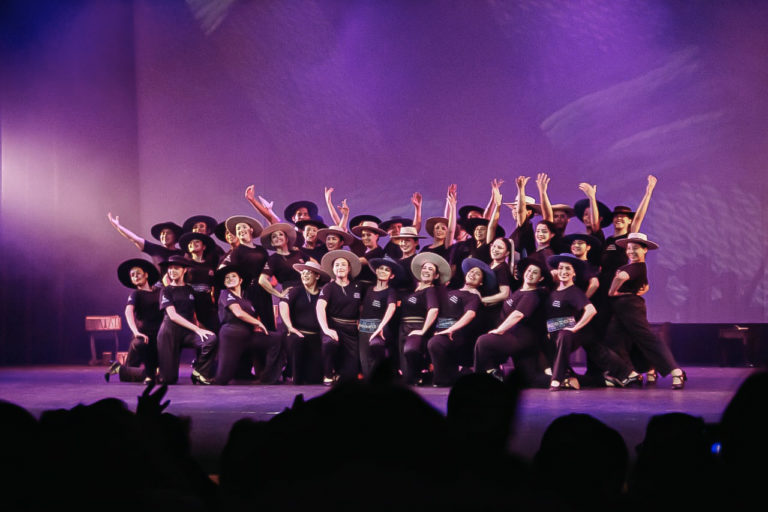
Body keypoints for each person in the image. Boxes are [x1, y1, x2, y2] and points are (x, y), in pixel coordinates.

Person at [545, 253, 637, 390]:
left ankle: (557, 380)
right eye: (561, 268)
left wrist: (574, 328)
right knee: (594, 348)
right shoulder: (553, 291)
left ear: (574, 272)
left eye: (568, 269)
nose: (563, 272)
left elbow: (591, 310)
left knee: (570, 338)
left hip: (568, 333)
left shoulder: (574, 292)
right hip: (553, 333)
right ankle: (611, 377)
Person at [607, 233, 687, 389]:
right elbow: (644, 285)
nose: (631, 251)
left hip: (630, 308)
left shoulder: (636, 266)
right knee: (615, 338)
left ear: (645, 250)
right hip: (623, 308)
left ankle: (676, 372)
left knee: (646, 338)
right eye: (629, 248)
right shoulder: (635, 267)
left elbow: (621, 277)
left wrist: (612, 292)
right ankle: (637, 371)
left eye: (636, 248)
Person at [474, 259, 551, 388]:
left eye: (535, 273)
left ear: (541, 278)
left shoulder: (532, 295)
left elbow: (518, 314)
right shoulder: (519, 291)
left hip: (521, 337)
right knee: (529, 378)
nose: (530, 274)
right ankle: (565, 379)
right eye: (529, 270)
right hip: (515, 337)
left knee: (483, 341)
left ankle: (484, 377)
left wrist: (500, 330)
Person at [214, 264, 282, 385]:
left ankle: (268, 378)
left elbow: (251, 316)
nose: (230, 279)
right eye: (227, 278)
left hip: (248, 336)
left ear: (240, 280)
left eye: (233, 276)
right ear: (224, 283)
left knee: (276, 338)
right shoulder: (225, 293)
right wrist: (258, 322)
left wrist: (255, 327)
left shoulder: (247, 301)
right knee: (222, 379)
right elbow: (238, 313)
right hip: (232, 334)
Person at [427, 258, 490, 387]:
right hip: (439, 329)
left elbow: (470, 314)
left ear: (481, 282)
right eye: (471, 271)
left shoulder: (473, 296)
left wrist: (451, 329)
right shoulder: (450, 291)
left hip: (455, 333)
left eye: (477, 274)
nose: (472, 274)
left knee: (435, 343)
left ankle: (442, 380)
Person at [156, 255, 218, 385]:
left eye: (176, 268)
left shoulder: (190, 289)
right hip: (169, 332)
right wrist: (197, 329)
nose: (172, 271)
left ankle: (199, 372)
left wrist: (201, 328)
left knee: (211, 339)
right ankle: (129, 371)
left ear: (184, 270)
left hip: (187, 332)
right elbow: (172, 315)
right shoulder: (165, 290)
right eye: (170, 268)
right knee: (167, 380)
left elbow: (195, 312)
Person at [105, 258, 163, 384]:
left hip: (158, 337)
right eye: (132, 275)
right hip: (143, 338)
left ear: (146, 275)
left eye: (138, 273)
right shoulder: (135, 294)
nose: (135, 276)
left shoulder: (159, 292)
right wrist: (136, 332)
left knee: (159, 377)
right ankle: (141, 372)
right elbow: (128, 311)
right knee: (146, 374)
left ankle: (121, 368)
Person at [399, 252, 449, 385]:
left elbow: (433, 310)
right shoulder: (415, 290)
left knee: (411, 350)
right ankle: (420, 374)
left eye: (430, 269)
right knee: (406, 375)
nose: (426, 270)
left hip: (416, 327)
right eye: (424, 268)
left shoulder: (430, 290)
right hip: (403, 329)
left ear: (436, 275)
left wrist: (423, 331)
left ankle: (423, 371)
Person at [316, 250, 364, 384]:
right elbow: (320, 307)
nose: (340, 268)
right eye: (337, 265)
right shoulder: (328, 287)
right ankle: (328, 374)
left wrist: (361, 320)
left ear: (349, 268)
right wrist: (326, 329)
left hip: (351, 330)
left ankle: (341, 372)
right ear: (333, 269)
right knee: (329, 342)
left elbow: (363, 307)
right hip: (333, 326)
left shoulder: (358, 286)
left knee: (350, 376)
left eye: (343, 265)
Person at [221, 215, 276, 331]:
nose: (241, 230)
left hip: (263, 289)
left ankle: (272, 346)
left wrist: (271, 282)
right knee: (250, 325)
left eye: (243, 227)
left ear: (251, 229)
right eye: (238, 229)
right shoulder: (236, 252)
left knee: (269, 322)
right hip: (247, 291)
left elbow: (269, 268)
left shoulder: (261, 250)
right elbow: (222, 270)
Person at [279, 261, 330, 384]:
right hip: (298, 335)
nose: (304, 275)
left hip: (315, 337)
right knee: (297, 341)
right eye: (303, 273)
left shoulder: (323, 293)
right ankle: (292, 373)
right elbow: (283, 304)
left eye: (309, 273)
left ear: (317, 276)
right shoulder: (296, 291)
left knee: (314, 379)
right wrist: (290, 327)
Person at [358, 257, 402, 377]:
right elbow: (361, 307)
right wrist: (358, 320)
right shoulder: (368, 289)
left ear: (391, 276)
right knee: (365, 364)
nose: (383, 271)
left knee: (376, 346)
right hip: (363, 329)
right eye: (381, 268)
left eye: (387, 270)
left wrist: (380, 327)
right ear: (376, 271)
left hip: (380, 328)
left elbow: (391, 307)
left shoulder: (391, 291)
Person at [177, 231, 219, 332]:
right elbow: (168, 278)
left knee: (213, 331)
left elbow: (214, 284)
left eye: (197, 242)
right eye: (190, 243)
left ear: (204, 247)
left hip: (208, 304)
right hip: (191, 304)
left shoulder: (210, 265)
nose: (193, 244)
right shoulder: (184, 264)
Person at [107, 213, 183, 266]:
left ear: (175, 236)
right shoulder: (155, 249)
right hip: (160, 288)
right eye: (162, 233)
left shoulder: (183, 254)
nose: (164, 235)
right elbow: (134, 238)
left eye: (168, 233)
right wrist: (119, 227)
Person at [258, 222, 305, 302]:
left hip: (307, 290)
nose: (278, 237)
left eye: (280, 234)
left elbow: (315, 266)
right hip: (292, 294)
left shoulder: (298, 253)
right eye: (274, 236)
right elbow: (262, 280)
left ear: (286, 239)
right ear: (272, 243)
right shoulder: (273, 259)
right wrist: (279, 294)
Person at [350, 220, 388, 287]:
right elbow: (343, 232)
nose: (365, 238)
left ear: (376, 236)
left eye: (368, 235)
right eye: (363, 235)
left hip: (368, 288)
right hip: (356, 285)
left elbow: (358, 261)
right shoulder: (362, 248)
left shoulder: (378, 252)